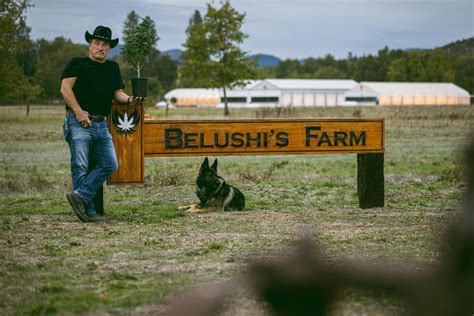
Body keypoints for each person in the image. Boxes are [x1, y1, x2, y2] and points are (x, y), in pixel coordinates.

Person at [60, 25, 142, 222]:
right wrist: (79, 112)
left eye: (105, 44)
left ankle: (80, 196)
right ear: (90, 45)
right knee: (80, 166)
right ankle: (88, 212)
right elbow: (65, 89)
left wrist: (131, 100)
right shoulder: (77, 64)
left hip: (101, 124)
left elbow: (117, 93)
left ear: (109, 48)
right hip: (79, 122)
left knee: (109, 164)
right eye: (97, 43)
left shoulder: (112, 68)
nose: (101, 47)